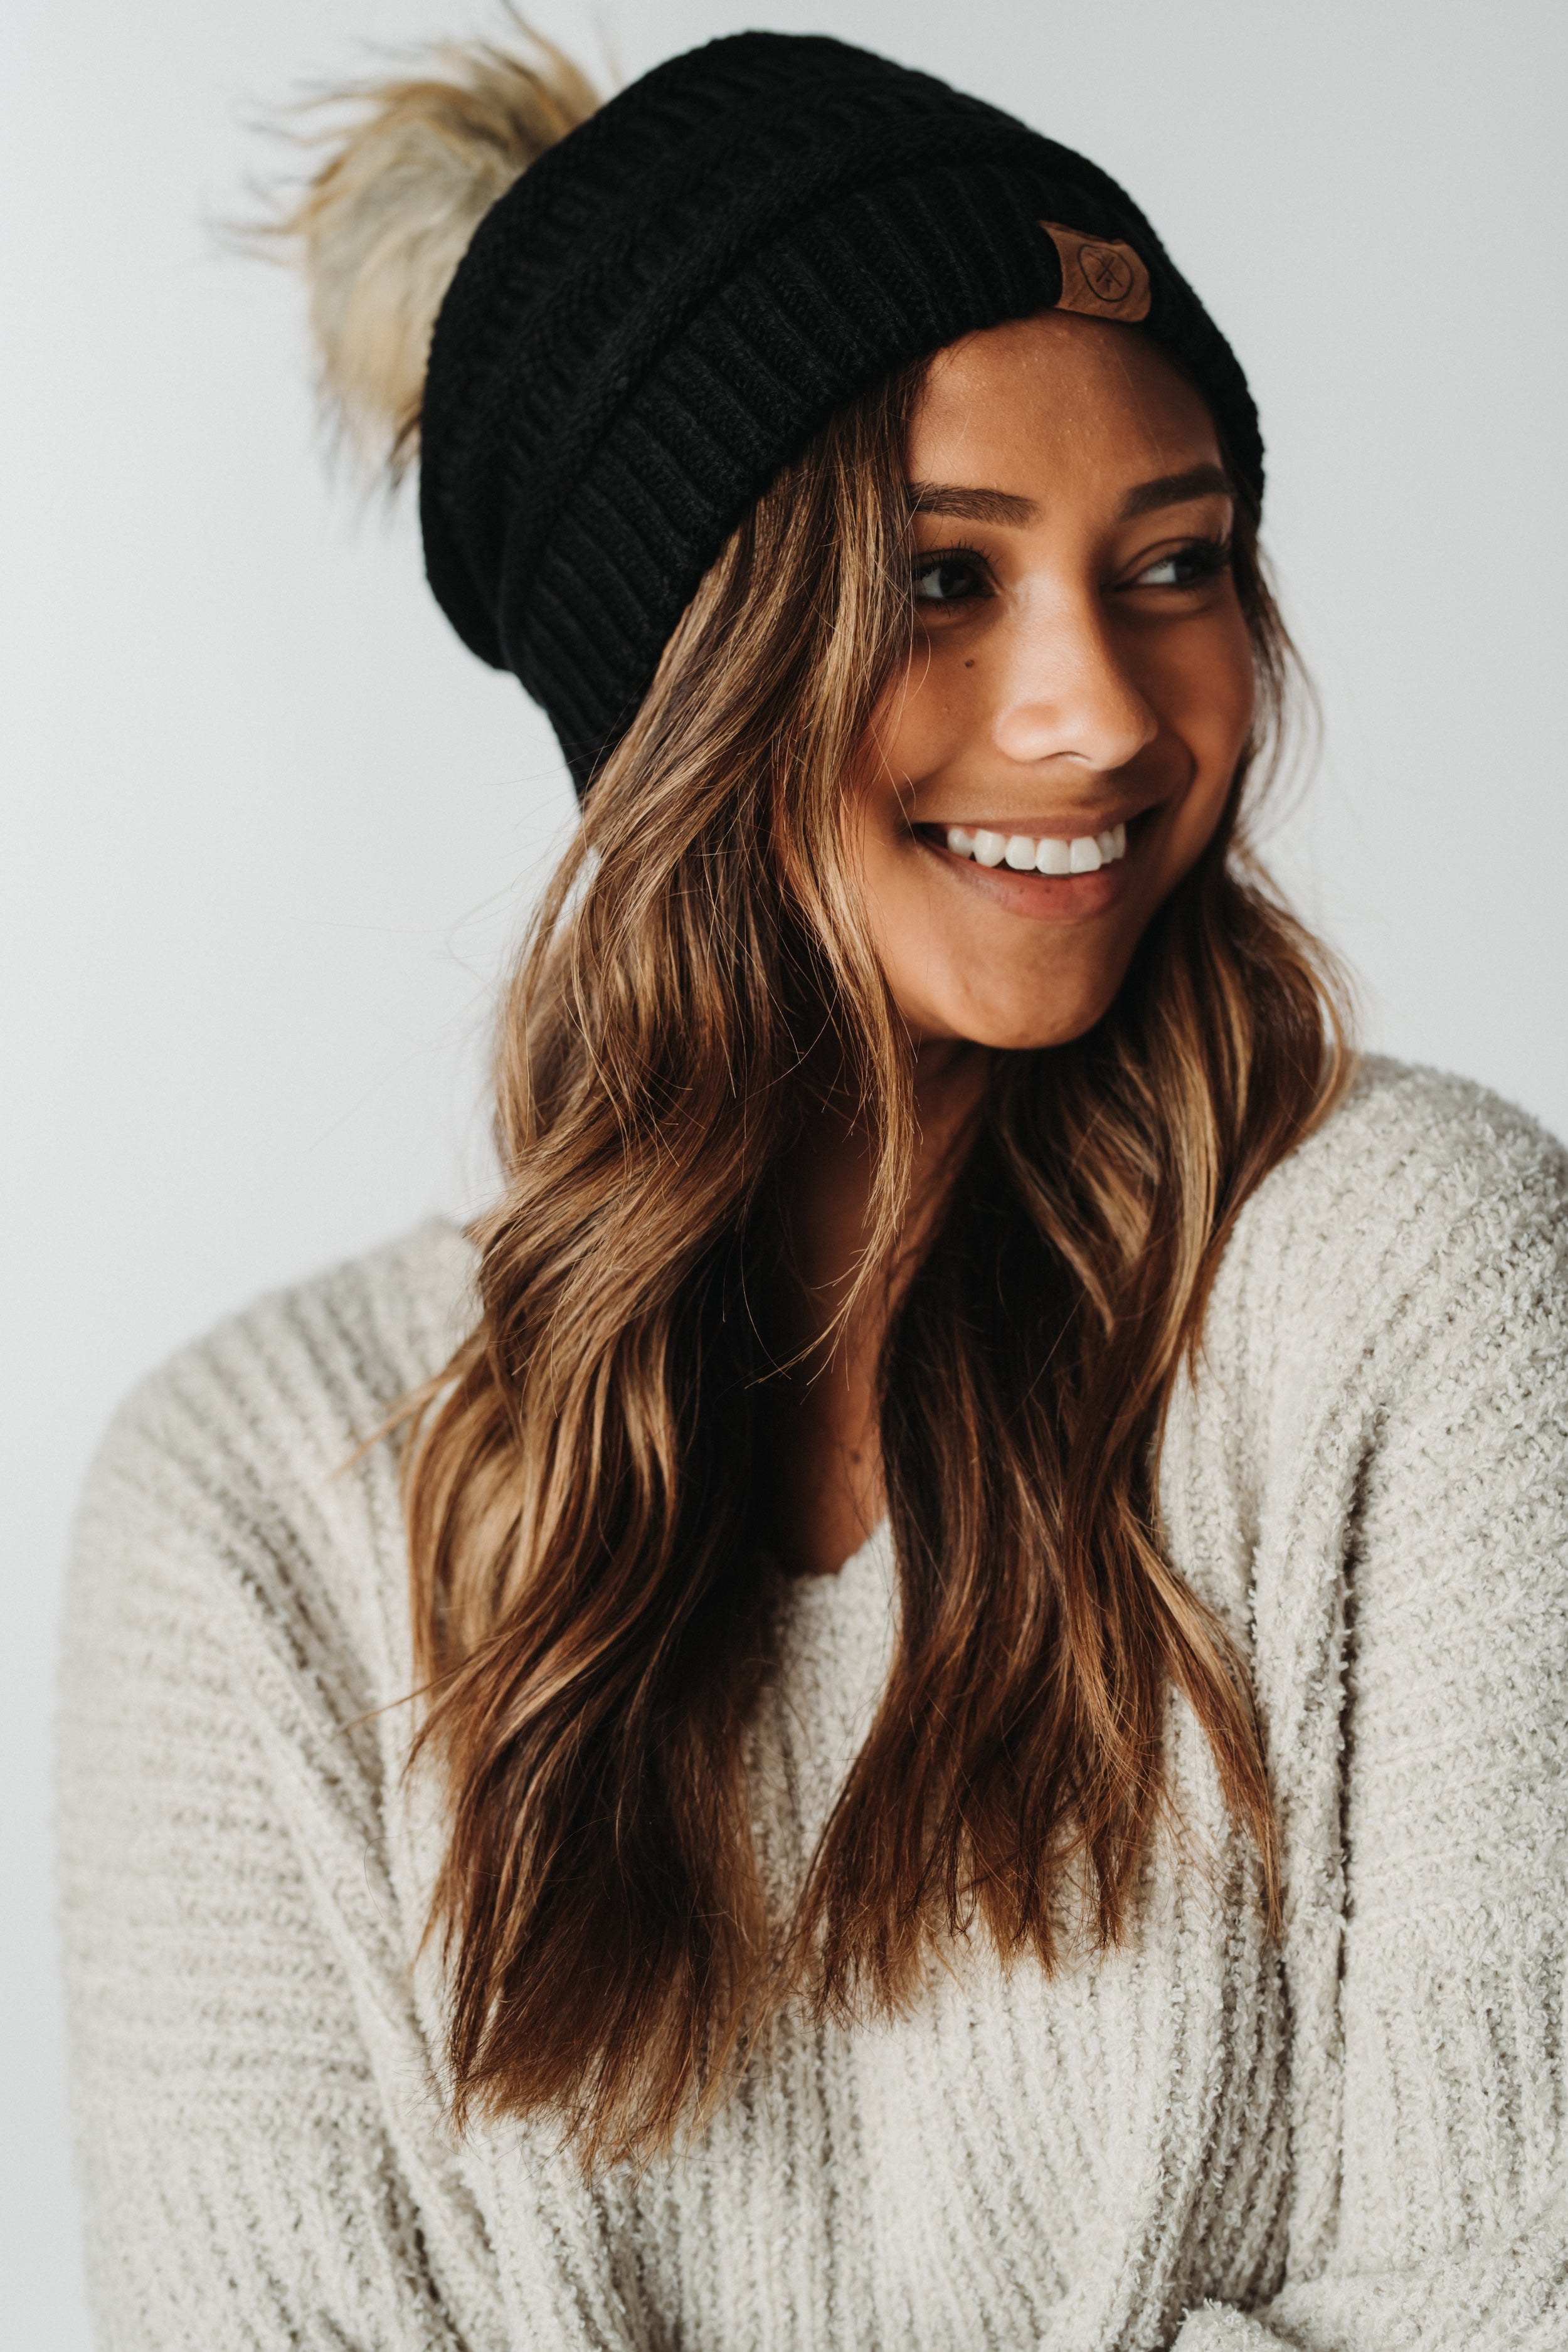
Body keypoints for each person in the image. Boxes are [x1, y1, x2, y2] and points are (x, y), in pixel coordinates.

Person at [56, 26, 1568, 2351]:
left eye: (1172, 565)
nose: (1099, 711)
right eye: (941, 580)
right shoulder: (252, 1516)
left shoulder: (1426, 1295)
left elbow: (1509, 2287)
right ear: (680, 677)